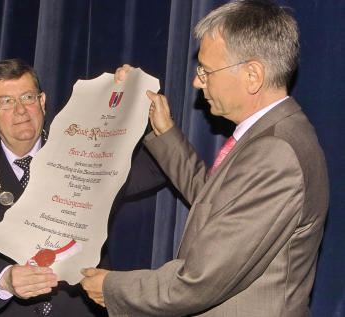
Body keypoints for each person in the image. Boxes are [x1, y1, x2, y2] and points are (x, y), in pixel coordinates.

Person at [80, 1, 329, 316]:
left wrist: (112, 288)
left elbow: (201, 281)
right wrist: (164, 131)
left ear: (253, 75)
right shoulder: (273, 135)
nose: (198, 82)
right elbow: (214, 202)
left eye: (206, 71)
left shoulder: (276, 152)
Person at [0, 58, 108, 316]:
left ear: (42, 102)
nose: (20, 110)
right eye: (6, 101)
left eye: (27, 97)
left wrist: (131, 95)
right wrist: (4, 278)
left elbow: (143, 168)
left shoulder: (82, 155)